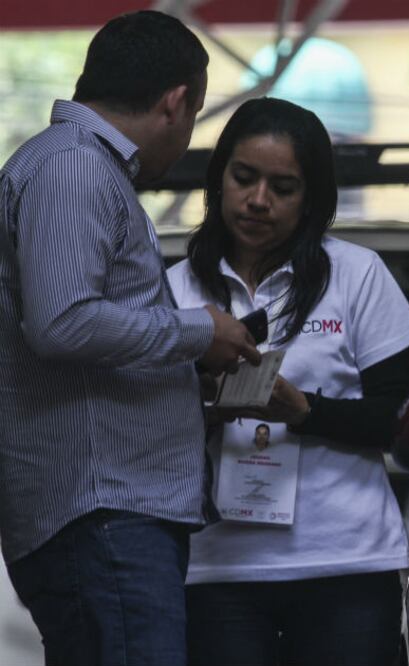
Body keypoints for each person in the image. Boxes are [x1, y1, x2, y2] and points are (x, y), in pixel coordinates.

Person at [0, 10, 262, 666]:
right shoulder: (72, 168)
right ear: (176, 102)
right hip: (101, 511)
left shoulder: (80, 166)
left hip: (110, 512)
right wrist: (198, 331)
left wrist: (185, 375)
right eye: (194, 115)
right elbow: (62, 322)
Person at [168, 97, 409, 666]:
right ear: (218, 179)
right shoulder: (176, 289)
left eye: (282, 187)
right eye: (244, 178)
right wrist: (203, 408)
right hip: (216, 569)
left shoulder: (356, 275)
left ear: (311, 199)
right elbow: (133, 430)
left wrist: (306, 411)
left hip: (346, 565)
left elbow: (401, 420)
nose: (258, 200)